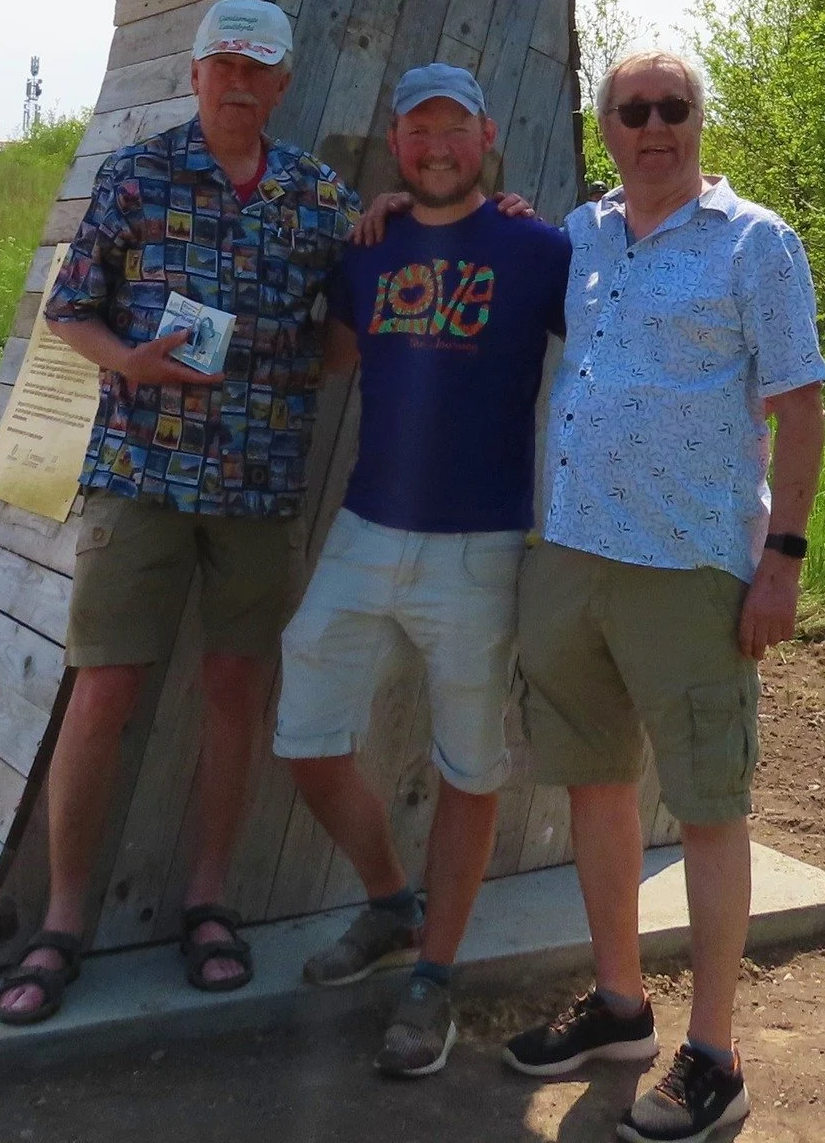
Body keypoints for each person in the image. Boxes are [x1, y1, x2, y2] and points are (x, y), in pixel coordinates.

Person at [0, 0, 360, 1025]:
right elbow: (69, 307)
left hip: (255, 484)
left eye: (258, 69)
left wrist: (299, 372)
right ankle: (61, 922)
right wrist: (130, 360)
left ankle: (207, 904)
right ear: (194, 75)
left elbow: (354, 317)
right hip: (139, 477)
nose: (238, 81)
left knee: (234, 691)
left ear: (282, 85)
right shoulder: (136, 174)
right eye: (222, 64)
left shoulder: (316, 193)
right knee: (102, 689)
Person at [503, 49, 825, 1143]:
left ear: (698, 120)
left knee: (705, 805)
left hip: (690, 565)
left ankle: (716, 1055)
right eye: (632, 110)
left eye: (672, 108)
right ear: (606, 130)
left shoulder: (755, 242)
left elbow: (800, 409)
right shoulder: (584, 234)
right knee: (593, 785)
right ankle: (618, 1004)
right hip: (571, 555)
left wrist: (779, 559)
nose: (654, 125)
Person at [272, 64, 571, 1079]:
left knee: (469, 765)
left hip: (480, 544)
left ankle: (434, 971)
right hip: (363, 529)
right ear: (394, 143)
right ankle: (389, 901)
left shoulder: (539, 249)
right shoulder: (369, 245)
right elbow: (332, 356)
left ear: (486, 135)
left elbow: (601, 362)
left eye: (454, 129)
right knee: (304, 730)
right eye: (416, 131)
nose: (435, 145)